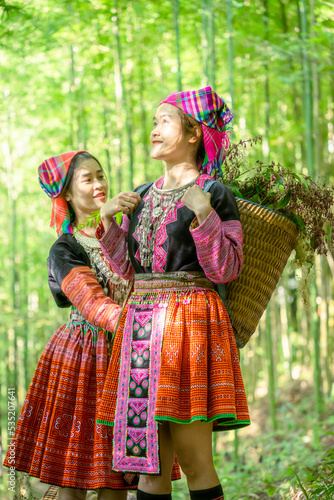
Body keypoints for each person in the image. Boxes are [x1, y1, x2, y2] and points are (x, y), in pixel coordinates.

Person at [96, 87, 251, 500]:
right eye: (153, 122)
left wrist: (203, 212)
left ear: (193, 133)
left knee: (196, 459)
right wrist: (109, 220)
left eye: (164, 121)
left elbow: (226, 269)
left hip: (190, 326)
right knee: (147, 468)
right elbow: (129, 272)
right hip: (140, 330)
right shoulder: (142, 195)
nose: (154, 130)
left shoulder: (215, 192)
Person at [3, 151, 141, 500]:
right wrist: (142, 327)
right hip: (83, 359)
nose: (99, 184)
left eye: (101, 175)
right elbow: (91, 303)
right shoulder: (64, 248)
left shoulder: (127, 230)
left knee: (118, 475)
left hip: (129, 356)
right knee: (74, 475)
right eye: (87, 179)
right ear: (66, 193)